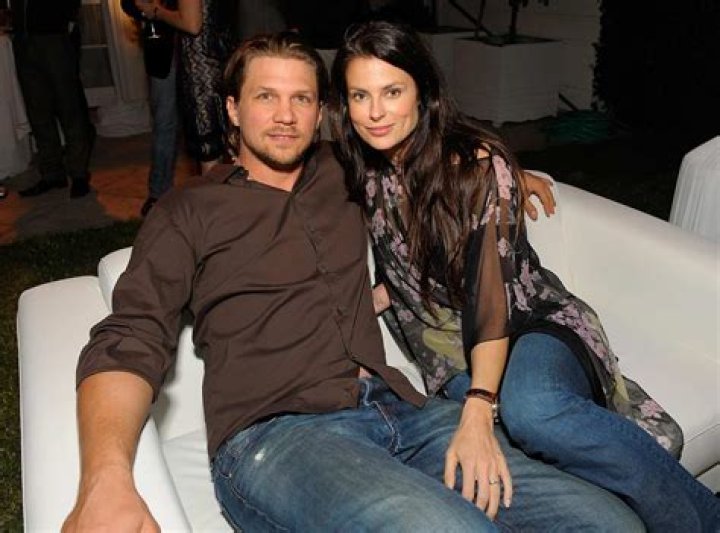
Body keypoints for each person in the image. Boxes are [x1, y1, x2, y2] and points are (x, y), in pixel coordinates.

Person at [61, 32, 644, 532]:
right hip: (280, 436)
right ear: (233, 109)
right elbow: (131, 336)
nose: (285, 116)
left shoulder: (347, 171)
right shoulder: (187, 210)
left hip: (407, 411)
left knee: (606, 521)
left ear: (322, 112)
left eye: (302, 99)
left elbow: (430, 146)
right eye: (266, 97)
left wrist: (507, 173)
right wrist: (105, 481)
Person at [329, 20, 720, 532]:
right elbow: (409, 266)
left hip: (528, 322)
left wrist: (479, 405)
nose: (376, 112)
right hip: (449, 354)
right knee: (515, 468)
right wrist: (360, 307)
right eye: (360, 95)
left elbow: (492, 299)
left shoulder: (474, 169)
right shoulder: (364, 170)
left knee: (533, 409)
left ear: (422, 92)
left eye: (392, 91)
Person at [10, 0, 95, 198]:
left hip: (54, 36)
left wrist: (66, 20)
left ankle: (79, 174)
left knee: (69, 107)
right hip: (24, 39)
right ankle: (51, 173)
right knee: (37, 111)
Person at [125, 0, 202, 216]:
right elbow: (129, 4)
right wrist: (148, 9)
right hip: (164, 49)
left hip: (205, 50)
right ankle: (159, 192)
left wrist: (157, 11)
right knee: (165, 121)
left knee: (208, 119)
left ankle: (214, 188)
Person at [175, 0, 234, 175]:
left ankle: (215, 193)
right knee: (231, 147)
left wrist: (156, 11)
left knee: (209, 152)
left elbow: (192, 25)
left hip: (201, 69)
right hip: (226, 60)